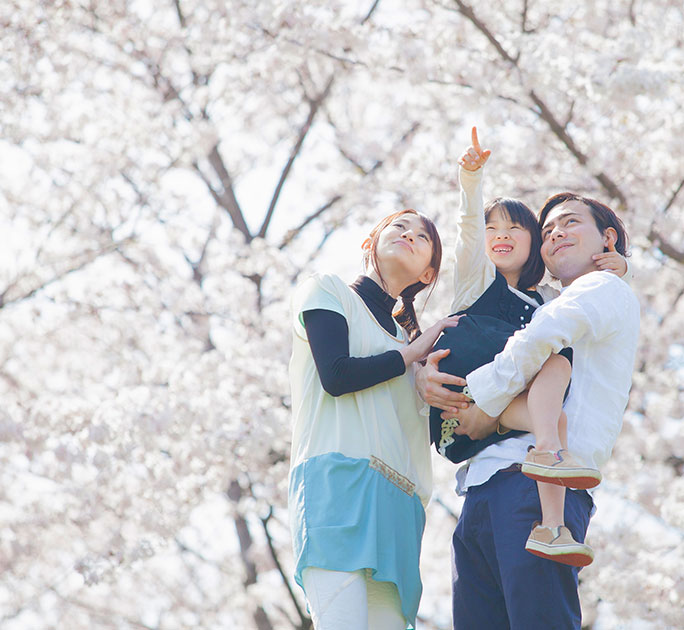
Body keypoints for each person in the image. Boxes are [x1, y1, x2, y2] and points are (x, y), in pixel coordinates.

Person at [418, 189, 640, 630]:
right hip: (484, 488)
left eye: (571, 222)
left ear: (607, 239)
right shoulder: (549, 299)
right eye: (549, 229)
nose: (556, 232)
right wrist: (424, 371)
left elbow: (540, 339)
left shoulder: (599, 287)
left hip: (532, 490)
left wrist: (482, 404)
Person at [430, 128, 629, 566]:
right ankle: (546, 457)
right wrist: (471, 181)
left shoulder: (547, 300)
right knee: (550, 367)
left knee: (556, 392)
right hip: (462, 404)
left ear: (535, 244)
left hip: (507, 413)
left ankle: (552, 526)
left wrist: (618, 264)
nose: (501, 235)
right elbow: (466, 234)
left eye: (516, 228)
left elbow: (581, 302)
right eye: (492, 229)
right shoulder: (477, 281)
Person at [288, 208, 461, 630]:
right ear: (370, 243)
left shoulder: (411, 345)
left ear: (428, 273)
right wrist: (413, 353)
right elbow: (337, 375)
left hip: (399, 503)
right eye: (399, 227)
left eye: (423, 237)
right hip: (338, 483)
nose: (409, 235)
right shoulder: (328, 290)